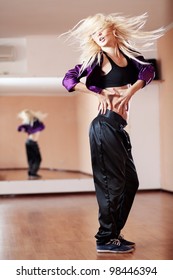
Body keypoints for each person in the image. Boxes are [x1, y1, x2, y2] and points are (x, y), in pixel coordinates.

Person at [61, 13, 164, 253]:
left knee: (130, 182)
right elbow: (68, 79)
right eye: (94, 34)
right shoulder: (97, 58)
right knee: (113, 183)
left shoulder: (129, 57)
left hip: (117, 127)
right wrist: (97, 93)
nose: (97, 36)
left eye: (101, 31)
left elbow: (147, 72)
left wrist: (131, 92)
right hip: (104, 126)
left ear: (113, 31)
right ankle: (105, 237)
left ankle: (114, 234)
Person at [17, 109, 47, 180]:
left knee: (31, 159)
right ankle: (33, 173)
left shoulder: (33, 123)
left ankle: (31, 173)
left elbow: (41, 127)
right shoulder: (30, 123)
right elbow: (19, 128)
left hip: (29, 142)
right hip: (32, 142)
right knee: (37, 159)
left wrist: (26, 129)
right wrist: (25, 129)